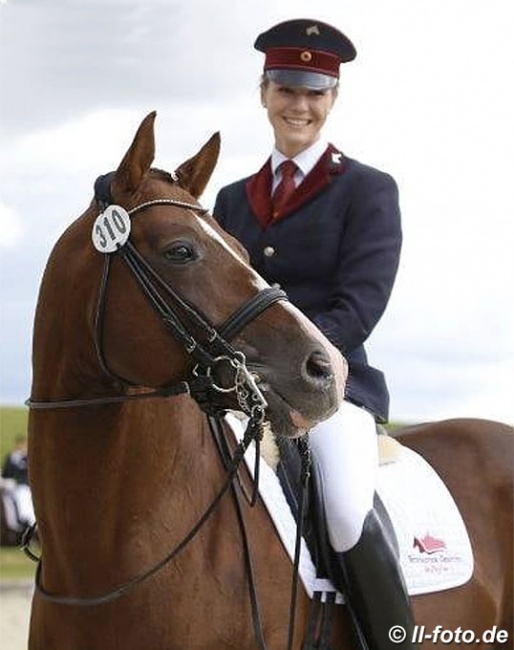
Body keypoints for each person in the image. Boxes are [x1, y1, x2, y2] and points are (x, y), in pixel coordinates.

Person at [213, 18, 416, 649]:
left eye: (315, 93)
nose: (299, 105)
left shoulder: (366, 189)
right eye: (287, 89)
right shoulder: (230, 201)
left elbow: (362, 303)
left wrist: (298, 361)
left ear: (332, 99)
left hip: (329, 393)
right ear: (265, 92)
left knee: (347, 509)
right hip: (233, 392)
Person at [1, 434, 35, 528]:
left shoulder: (29, 458)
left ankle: (27, 520)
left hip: (23, 486)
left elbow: (28, 476)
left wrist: (16, 482)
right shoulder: (11, 457)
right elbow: (5, 472)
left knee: (22, 496)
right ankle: (11, 523)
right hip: (9, 486)